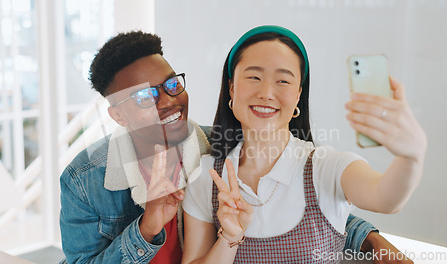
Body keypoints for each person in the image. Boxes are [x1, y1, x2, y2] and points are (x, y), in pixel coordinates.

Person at [59, 30, 414, 264]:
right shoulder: (84, 180)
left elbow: (306, 199)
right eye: (142, 97)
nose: (168, 102)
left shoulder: (222, 144)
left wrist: (372, 241)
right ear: (118, 116)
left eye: (170, 85)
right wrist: (147, 229)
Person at [182, 26, 425, 263]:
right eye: (254, 77)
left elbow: (386, 199)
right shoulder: (207, 176)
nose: (267, 92)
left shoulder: (325, 167)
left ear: (298, 94)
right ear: (232, 88)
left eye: (283, 81)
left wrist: (411, 157)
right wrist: (229, 238)